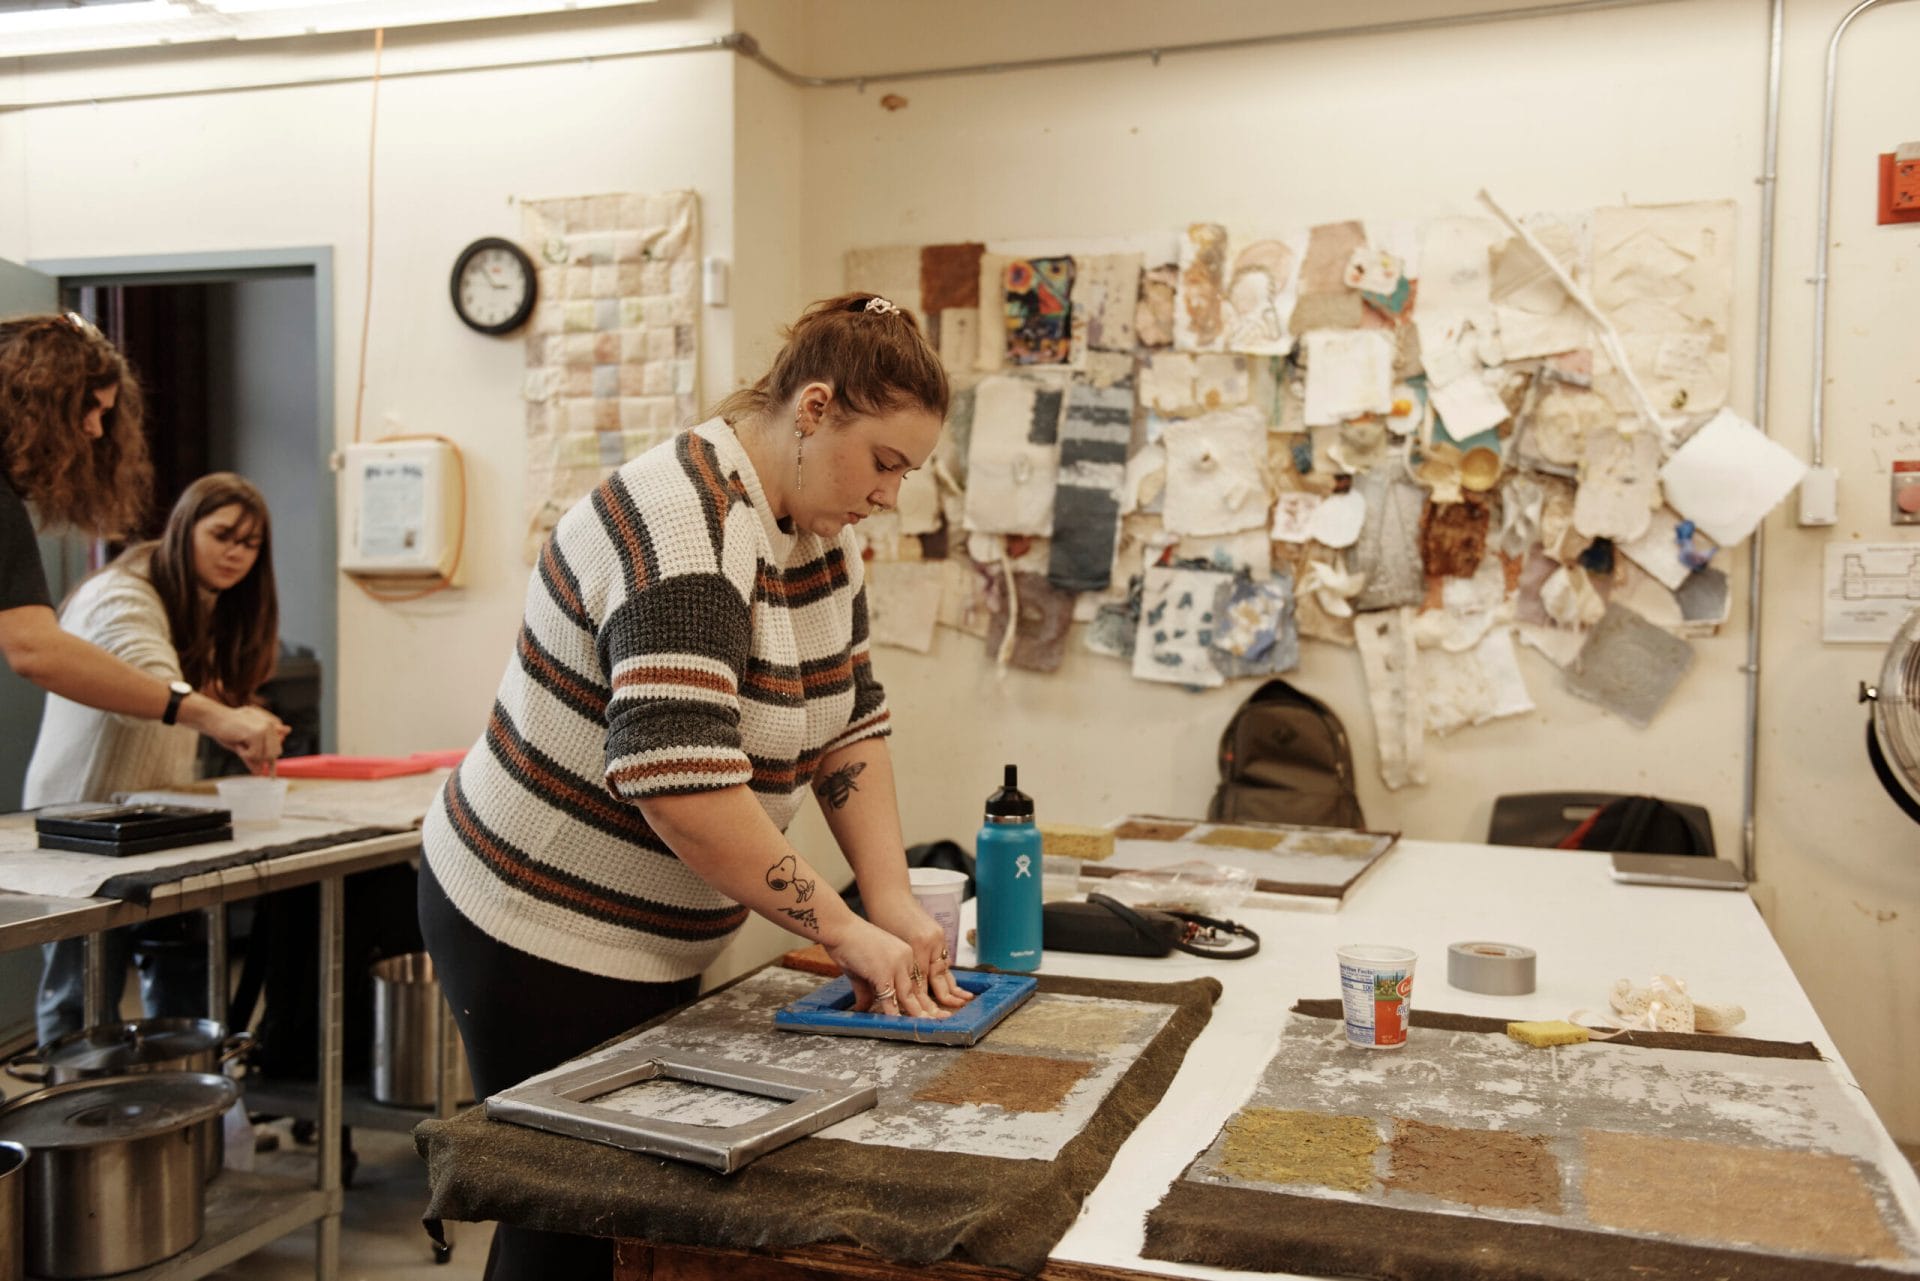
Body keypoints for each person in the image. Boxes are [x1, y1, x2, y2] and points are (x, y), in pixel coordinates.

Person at [418, 292, 964, 1280]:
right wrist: (840, 929)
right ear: (812, 408)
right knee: (573, 1209)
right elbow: (681, 786)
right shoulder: (682, 524)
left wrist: (889, 896)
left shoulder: (819, 534)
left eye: (907, 475)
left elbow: (853, 727)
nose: (889, 495)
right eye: (884, 462)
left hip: (651, 929)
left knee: (638, 1207)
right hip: (533, 922)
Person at [27, 472, 281, 1042]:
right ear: (185, 527)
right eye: (222, 535)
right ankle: (79, 1126)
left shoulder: (201, 604)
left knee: (183, 990)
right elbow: (150, 681)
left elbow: (205, 693)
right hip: (82, 829)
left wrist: (245, 716)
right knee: (81, 1000)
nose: (236, 554)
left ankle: (176, 1121)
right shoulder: (122, 594)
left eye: (250, 543)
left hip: (158, 828)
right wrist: (224, 719)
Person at [0, 312, 285, 773]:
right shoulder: (120, 595)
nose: (94, 430)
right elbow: (35, 650)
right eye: (89, 408)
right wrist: (214, 717)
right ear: (38, 399)